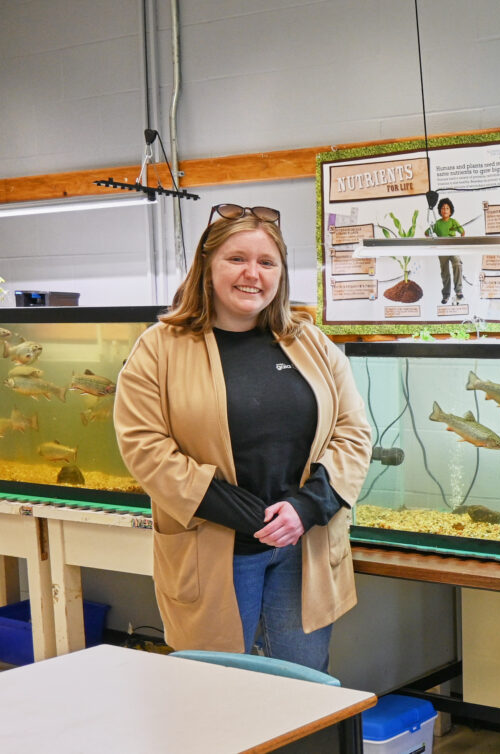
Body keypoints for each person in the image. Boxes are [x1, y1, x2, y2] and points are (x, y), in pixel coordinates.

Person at [114, 203, 372, 672]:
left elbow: (354, 433)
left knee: (304, 688)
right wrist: (253, 517)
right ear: (207, 266)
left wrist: (305, 508)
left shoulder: (311, 343)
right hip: (215, 545)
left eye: (266, 262)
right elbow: (144, 447)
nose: (252, 274)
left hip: (303, 546)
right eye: (237, 259)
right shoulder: (160, 347)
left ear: (280, 274)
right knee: (218, 692)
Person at [426, 197, 465, 304]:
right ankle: (446, 295)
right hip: (442, 249)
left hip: (453, 248)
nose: (445, 210)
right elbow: (427, 233)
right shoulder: (437, 224)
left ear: (450, 210)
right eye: (443, 208)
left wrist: (460, 243)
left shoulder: (453, 222)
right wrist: (431, 241)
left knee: (457, 264)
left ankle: (458, 291)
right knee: (445, 272)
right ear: (440, 211)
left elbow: (462, 232)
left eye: (447, 208)